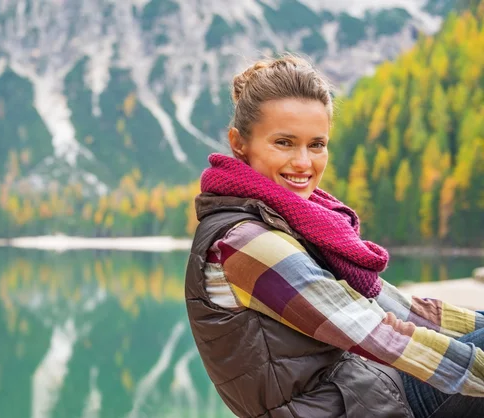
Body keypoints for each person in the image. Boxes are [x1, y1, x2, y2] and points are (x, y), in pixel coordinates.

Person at [184, 53, 484, 418]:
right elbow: (370, 331)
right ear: (239, 143)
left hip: (370, 393)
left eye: (316, 144)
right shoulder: (246, 242)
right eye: (284, 142)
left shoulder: (296, 222)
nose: (304, 163)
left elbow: (396, 307)